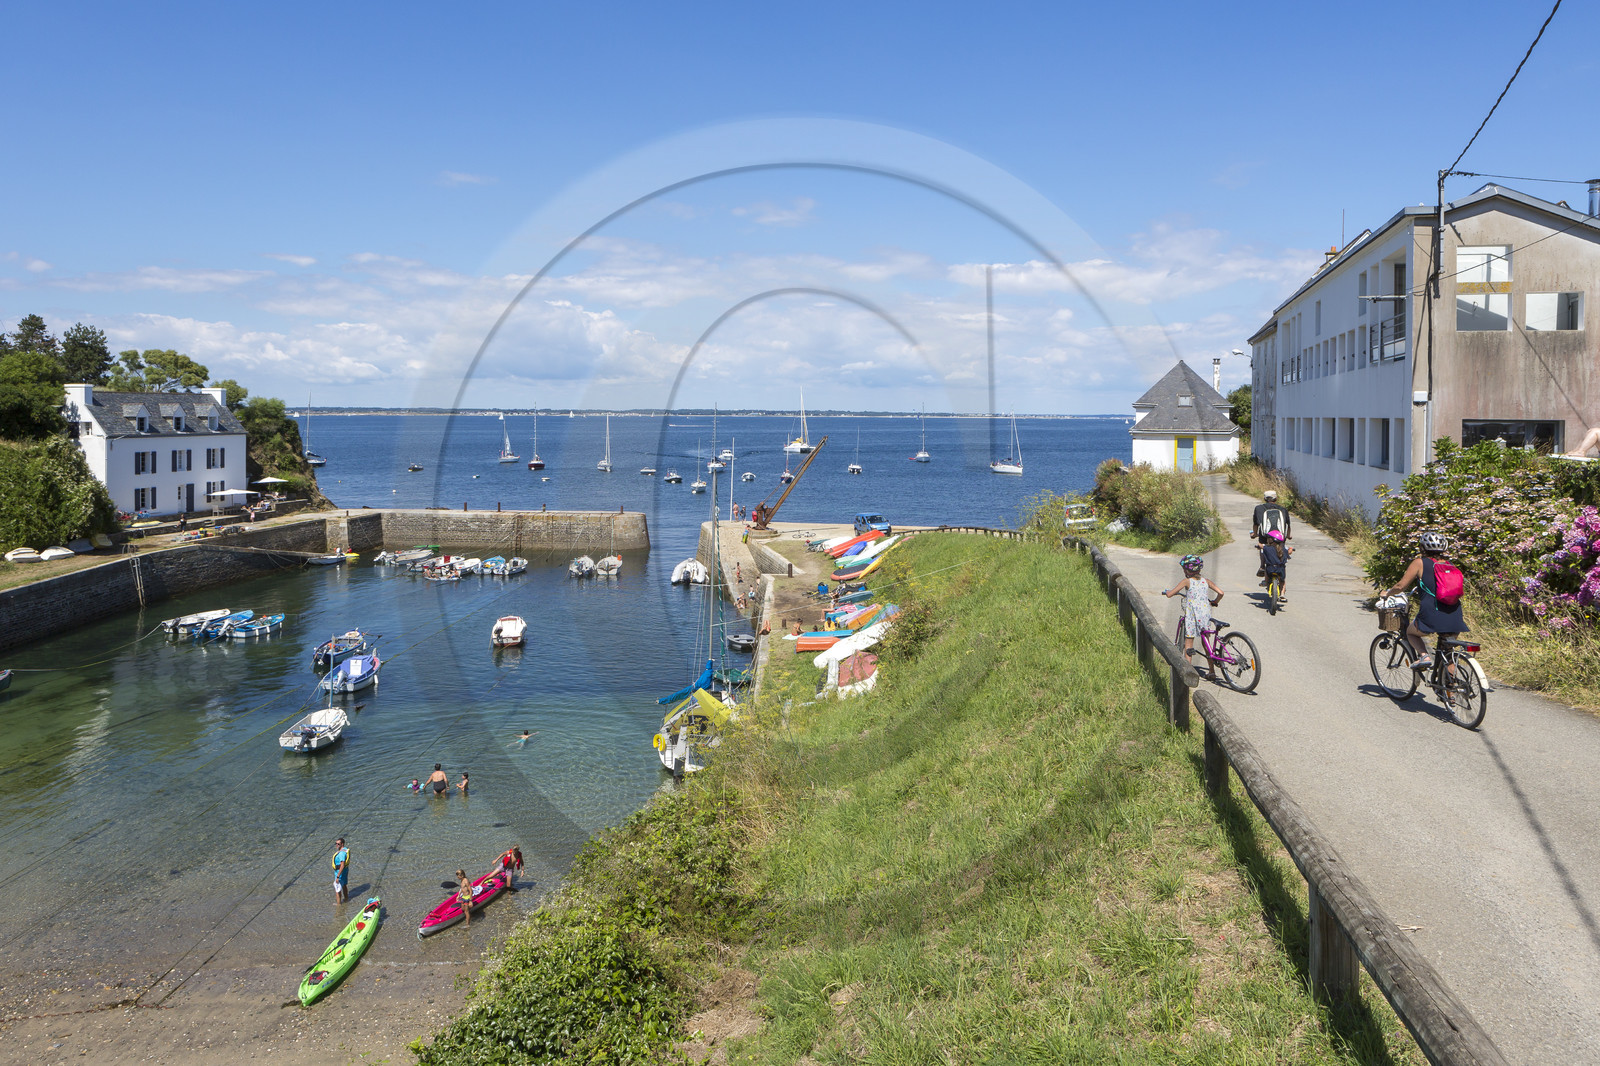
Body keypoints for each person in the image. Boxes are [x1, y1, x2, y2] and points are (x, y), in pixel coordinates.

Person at [1380, 531, 1466, 671]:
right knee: (1447, 654)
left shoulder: (1419, 563)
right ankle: (1452, 687)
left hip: (1432, 614)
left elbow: (1401, 586)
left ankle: (1424, 656)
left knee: (1410, 632)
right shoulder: (1450, 565)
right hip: (1455, 615)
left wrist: (1388, 593)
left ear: (1422, 548)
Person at [1163, 554, 1222, 660]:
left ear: (1187, 570)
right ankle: (1212, 671)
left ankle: (1187, 672)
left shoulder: (1187, 581)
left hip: (1192, 615)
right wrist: (1214, 602)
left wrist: (1167, 592)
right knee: (1206, 643)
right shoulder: (1206, 581)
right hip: (1205, 615)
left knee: (1189, 645)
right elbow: (1221, 593)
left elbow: (1170, 594)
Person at [1259, 529, 1292, 603]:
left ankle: (1266, 582)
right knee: (1282, 581)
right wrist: (1291, 550)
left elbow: (1260, 546)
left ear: (1271, 540)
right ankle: (1282, 595)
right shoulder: (1283, 549)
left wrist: (1259, 545)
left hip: (1270, 569)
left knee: (1266, 570)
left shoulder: (1267, 548)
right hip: (1280, 570)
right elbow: (1289, 553)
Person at [332, 838, 350, 903]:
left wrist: (338, 876)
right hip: (345, 871)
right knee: (344, 885)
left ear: (342, 844)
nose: (336, 845)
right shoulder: (344, 849)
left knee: (337, 889)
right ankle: (346, 898)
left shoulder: (341, 854)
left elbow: (342, 865)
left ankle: (338, 905)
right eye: (336, 843)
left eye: (338, 844)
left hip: (340, 872)